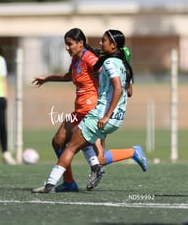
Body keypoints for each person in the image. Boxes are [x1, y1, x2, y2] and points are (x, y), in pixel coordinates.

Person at [32, 29, 141, 194]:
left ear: (80, 43)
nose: (67, 48)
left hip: (91, 109)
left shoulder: (91, 59)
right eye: (66, 44)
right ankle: (72, 181)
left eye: (69, 44)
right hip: (80, 109)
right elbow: (70, 76)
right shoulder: (77, 59)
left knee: (83, 149)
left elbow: (107, 77)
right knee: (59, 142)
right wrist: (47, 79)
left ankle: (128, 154)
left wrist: (106, 108)